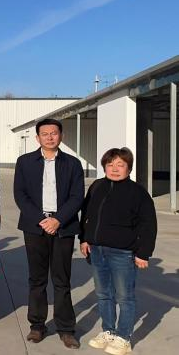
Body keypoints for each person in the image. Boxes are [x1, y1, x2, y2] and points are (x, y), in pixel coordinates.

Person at [13, 118, 84, 348]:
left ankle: (66, 328)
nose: (50, 137)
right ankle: (37, 325)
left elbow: (77, 196)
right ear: (37, 138)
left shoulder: (72, 163)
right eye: (45, 134)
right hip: (35, 226)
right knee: (37, 279)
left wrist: (58, 219)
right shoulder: (25, 162)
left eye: (54, 133)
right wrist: (41, 220)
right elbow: (20, 195)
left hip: (63, 226)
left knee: (62, 280)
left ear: (61, 136)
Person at [80, 148, 157, 355]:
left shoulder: (138, 193)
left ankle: (124, 338)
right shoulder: (97, 186)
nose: (114, 169)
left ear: (128, 168)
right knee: (103, 294)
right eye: (110, 164)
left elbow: (148, 225)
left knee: (124, 297)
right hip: (97, 250)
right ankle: (108, 331)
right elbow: (87, 214)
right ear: (104, 166)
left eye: (120, 165)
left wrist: (143, 253)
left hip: (123, 253)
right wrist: (84, 238)